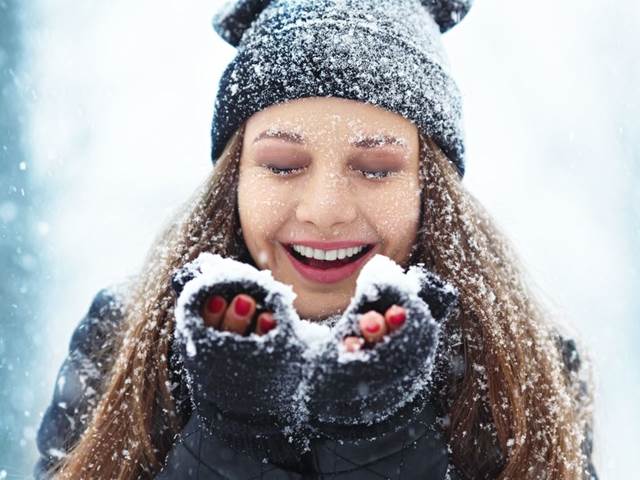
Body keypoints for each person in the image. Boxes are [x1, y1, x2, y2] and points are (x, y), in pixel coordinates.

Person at [34, 0, 598, 478]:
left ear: (431, 186)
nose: (326, 210)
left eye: (376, 168)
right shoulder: (125, 337)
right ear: (235, 179)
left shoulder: (524, 361)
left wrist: (383, 443)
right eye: (282, 164)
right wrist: (233, 439)